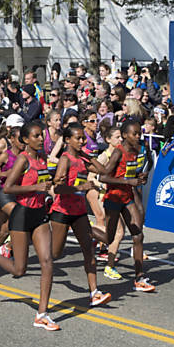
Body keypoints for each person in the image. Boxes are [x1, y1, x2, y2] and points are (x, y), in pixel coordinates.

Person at [0, 121, 57, 330]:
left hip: (40, 215)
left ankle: (42, 314)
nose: (41, 139)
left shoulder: (44, 158)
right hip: (22, 214)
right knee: (19, 271)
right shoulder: (22, 159)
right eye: (36, 136)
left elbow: (44, 182)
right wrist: (36, 186)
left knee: (47, 262)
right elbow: (8, 188)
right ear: (26, 140)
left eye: (42, 136)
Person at [49, 123, 112, 306]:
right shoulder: (65, 159)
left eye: (83, 138)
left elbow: (103, 171)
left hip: (79, 212)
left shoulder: (82, 159)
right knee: (55, 253)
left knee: (89, 251)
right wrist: (80, 187)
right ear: (67, 140)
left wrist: (86, 156)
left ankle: (94, 292)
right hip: (62, 211)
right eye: (78, 138)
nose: (82, 141)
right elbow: (58, 187)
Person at [100, 120, 155, 292]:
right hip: (113, 198)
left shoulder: (137, 150)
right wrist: (127, 181)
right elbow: (103, 177)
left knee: (138, 235)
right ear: (124, 136)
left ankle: (139, 278)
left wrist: (141, 176)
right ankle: (84, 229)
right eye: (134, 134)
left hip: (127, 197)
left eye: (140, 133)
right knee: (109, 238)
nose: (138, 136)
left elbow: (137, 169)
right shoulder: (118, 152)